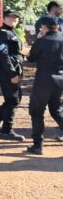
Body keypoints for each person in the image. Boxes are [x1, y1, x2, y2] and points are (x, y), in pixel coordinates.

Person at [24, 16, 63, 155]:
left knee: (37, 112)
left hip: (44, 81)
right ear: (57, 27)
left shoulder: (42, 41)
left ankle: (37, 145)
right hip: (60, 81)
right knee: (57, 110)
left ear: (44, 28)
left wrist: (38, 40)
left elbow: (30, 58)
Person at [0, 10, 26, 141]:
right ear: (4, 19)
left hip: (13, 69)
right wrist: (12, 74)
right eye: (10, 17)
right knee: (13, 99)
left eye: (15, 18)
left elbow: (15, 52)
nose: (13, 20)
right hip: (6, 71)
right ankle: (7, 130)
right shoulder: (2, 33)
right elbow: (3, 56)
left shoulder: (12, 32)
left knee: (14, 98)